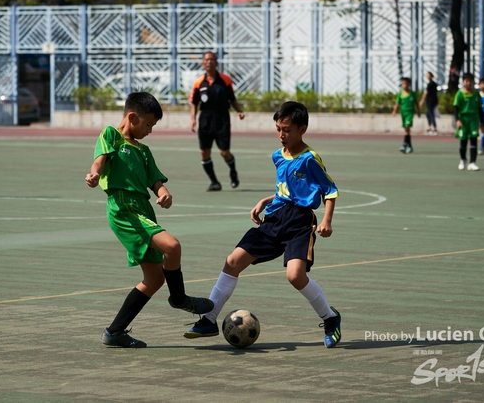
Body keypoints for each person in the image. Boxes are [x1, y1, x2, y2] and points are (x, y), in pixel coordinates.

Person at [183, 101, 342, 348]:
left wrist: (326, 220)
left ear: (303, 129)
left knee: (295, 276)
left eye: (287, 130)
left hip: (299, 222)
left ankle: (330, 318)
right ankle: (208, 319)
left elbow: (330, 191)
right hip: (275, 219)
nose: (281, 135)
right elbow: (285, 190)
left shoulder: (310, 159)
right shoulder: (278, 156)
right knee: (232, 261)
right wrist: (265, 200)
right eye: (278, 129)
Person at [85, 92, 214, 348]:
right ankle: (179, 299)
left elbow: (154, 180)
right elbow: (100, 160)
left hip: (142, 208)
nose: (150, 131)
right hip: (123, 208)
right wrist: (94, 174)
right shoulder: (111, 135)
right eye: (148, 125)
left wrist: (163, 192)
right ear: (132, 117)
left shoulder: (143, 151)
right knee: (172, 246)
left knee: (154, 279)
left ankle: (115, 332)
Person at [189, 51, 246, 191]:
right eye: (206, 60)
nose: (209, 62)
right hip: (205, 119)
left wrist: (238, 110)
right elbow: (194, 102)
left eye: (212, 59)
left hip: (222, 119)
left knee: (224, 152)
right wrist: (193, 119)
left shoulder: (225, 80)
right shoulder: (198, 82)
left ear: (216, 62)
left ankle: (233, 171)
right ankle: (214, 182)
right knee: (204, 153)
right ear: (203, 63)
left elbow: (232, 98)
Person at [454, 73, 483, 171]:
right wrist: (457, 120)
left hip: (474, 119)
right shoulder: (460, 94)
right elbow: (456, 108)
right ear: (463, 82)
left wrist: (482, 122)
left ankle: (473, 162)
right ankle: (463, 159)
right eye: (466, 81)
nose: (468, 83)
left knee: (474, 140)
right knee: (463, 141)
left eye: (470, 81)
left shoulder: (476, 94)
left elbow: (480, 108)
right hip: (463, 119)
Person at [392, 77, 420, 154]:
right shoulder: (400, 94)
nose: (404, 85)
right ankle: (409, 146)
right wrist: (394, 111)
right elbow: (397, 103)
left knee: (407, 127)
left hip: (410, 113)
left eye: (406, 83)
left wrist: (418, 112)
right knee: (406, 130)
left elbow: (416, 103)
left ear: (409, 84)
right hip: (403, 113)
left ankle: (404, 144)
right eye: (403, 83)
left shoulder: (412, 94)